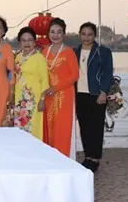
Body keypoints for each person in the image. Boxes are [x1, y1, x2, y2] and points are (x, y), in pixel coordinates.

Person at [74, 22, 114, 172]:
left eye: (89, 34)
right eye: (83, 34)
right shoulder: (74, 51)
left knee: (96, 127)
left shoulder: (103, 52)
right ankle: (88, 156)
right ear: (79, 35)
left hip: (96, 94)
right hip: (79, 94)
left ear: (94, 35)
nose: (86, 37)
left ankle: (95, 158)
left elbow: (107, 73)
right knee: (84, 127)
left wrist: (103, 92)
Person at [42, 18, 79, 158]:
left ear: (64, 34)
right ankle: (50, 158)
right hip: (48, 96)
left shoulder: (69, 52)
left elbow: (75, 75)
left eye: (59, 32)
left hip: (64, 96)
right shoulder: (44, 52)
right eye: (52, 32)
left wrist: (56, 88)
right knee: (49, 127)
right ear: (48, 34)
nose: (55, 35)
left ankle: (63, 159)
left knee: (62, 128)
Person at [12, 27, 49, 140]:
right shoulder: (18, 57)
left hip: (33, 99)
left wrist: (42, 100)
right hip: (19, 98)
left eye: (29, 40)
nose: (27, 43)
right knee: (19, 127)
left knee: (33, 127)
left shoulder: (39, 58)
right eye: (23, 40)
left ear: (34, 42)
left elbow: (45, 80)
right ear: (20, 42)